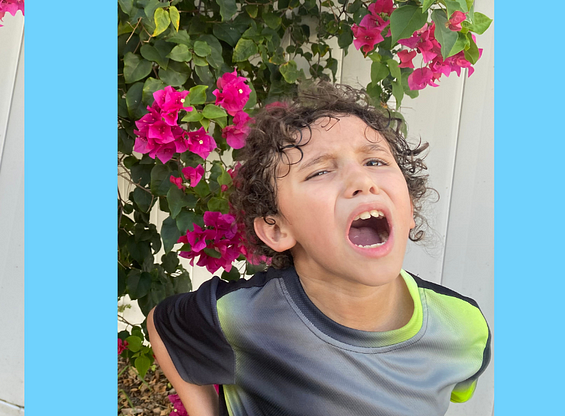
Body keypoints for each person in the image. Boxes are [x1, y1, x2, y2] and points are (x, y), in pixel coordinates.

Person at [147, 82, 490, 416]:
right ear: (277, 229)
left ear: (409, 208)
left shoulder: (463, 328)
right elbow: (162, 327)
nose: (361, 181)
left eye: (374, 162)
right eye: (321, 171)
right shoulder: (244, 315)